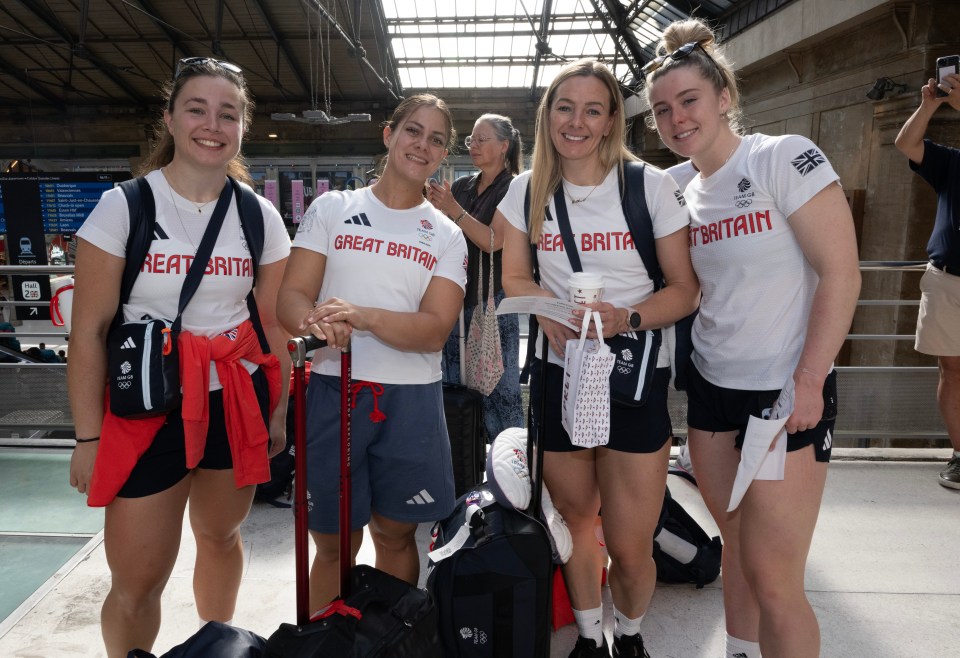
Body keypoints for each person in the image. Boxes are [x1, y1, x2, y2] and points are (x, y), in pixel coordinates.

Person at [645, 19, 861, 658]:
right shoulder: (679, 191)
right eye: (662, 110)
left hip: (783, 394)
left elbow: (841, 273)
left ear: (723, 98)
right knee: (735, 544)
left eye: (689, 101)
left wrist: (809, 379)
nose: (677, 118)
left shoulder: (780, 157)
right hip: (713, 393)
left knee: (775, 577)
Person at [67, 58, 291, 657]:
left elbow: (271, 325)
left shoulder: (258, 216)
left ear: (243, 125)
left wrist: (278, 410)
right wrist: (88, 438)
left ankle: (219, 649)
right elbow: (87, 332)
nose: (212, 124)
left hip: (233, 399)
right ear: (170, 117)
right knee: (138, 582)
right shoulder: (125, 206)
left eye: (228, 113)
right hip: (149, 407)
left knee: (220, 536)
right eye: (197, 108)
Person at [499, 58, 699, 658]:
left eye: (592, 109)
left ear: (612, 118)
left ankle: (630, 635)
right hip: (563, 376)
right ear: (547, 115)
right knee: (574, 520)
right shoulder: (527, 189)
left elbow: (685, 289)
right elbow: (514, 275)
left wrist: (627, 317)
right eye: (565, 107)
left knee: (631, 543)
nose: (577, 122)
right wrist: (545, 312)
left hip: (634, 378)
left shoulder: (649, 186)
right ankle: (590, 637)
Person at [276, 93, 467, 612]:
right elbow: (291, 299)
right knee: (335, 544)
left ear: (443, 154)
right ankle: (327, 644)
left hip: (411, 401)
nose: (421, 145)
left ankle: (387, 642)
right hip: (334, 391)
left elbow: (433, 331)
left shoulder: (448, 235)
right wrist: (313, 322)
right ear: (389, 135)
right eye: (413, 131)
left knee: (396, 537)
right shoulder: (333, 209)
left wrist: (361, 316)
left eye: (436, 139)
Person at [428, 113, 525, 439]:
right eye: (471, 139)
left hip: (493, 303)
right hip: (455, 301)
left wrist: (453, 210)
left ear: (503, 146)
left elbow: (493, 240)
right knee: (460, 388)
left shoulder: (513, 187)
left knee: (501, 391)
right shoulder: (462, 185)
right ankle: (467, 463)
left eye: (483, 139)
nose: (474, 145)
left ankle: (510, 468)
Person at [894, 71, 960, 490]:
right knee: (951, 371)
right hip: (947, 281)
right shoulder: (953, 163)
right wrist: (930, 105)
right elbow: (906, 144)